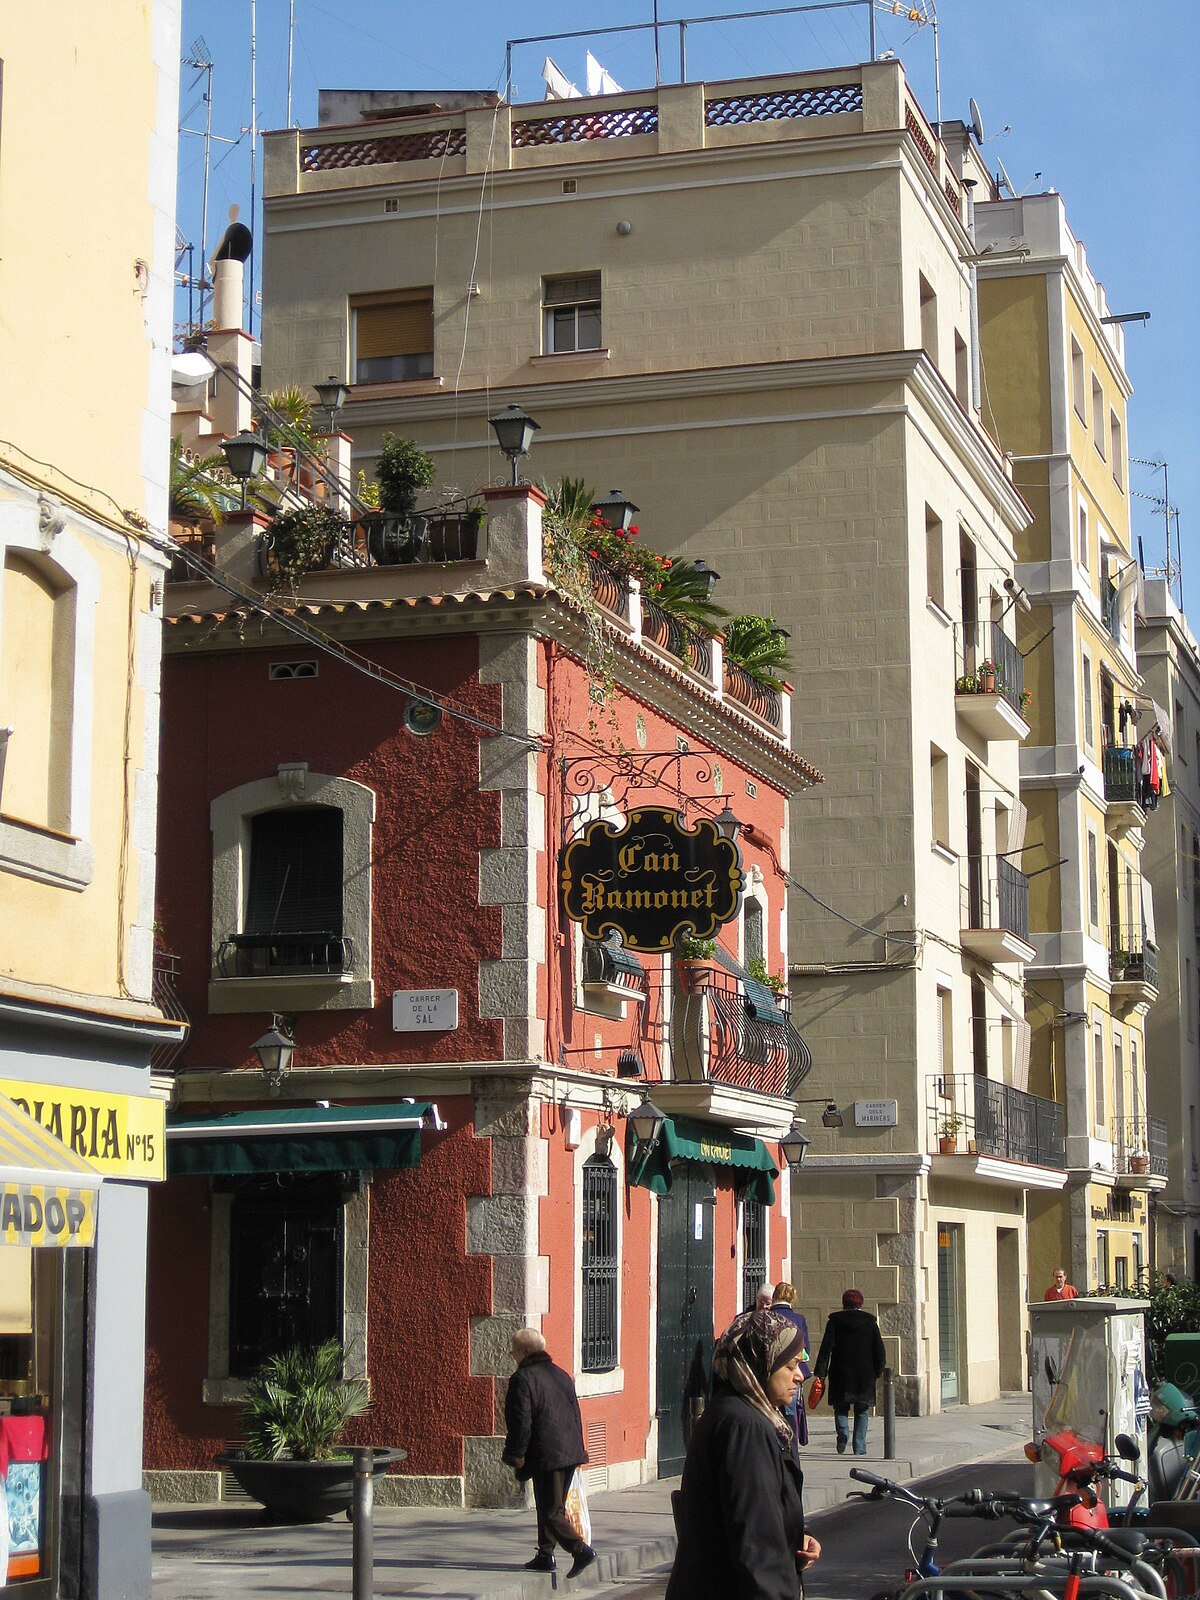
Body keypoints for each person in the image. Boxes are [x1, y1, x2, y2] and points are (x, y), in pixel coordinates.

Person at [666, 1308, 821, 1600]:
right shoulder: (745, 1426)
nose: (800, 1376)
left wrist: (793, 1539)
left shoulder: (749, 1415)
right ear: (760, 1365)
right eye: (789, 1366)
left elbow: (754, 1518)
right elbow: (756, 1541)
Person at [502, 1328, 596, 1579]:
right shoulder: (562, 1375)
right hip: (567, 1450)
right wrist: (578, 1449)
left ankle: (580, 1551)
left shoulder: (522, 1378)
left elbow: (520, 1421)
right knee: (551, 1505)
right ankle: (545, 1555)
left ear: (523, 1352)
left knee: (551, 1510)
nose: (512, 1356)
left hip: (547, 1453)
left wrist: (516, 1454)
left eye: (513, 1351)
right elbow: (575, 1414)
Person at [813, 1288, 886, 1456]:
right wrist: (878, 1370)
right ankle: (859, 1446)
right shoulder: (870, 1322)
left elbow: (826, 1348)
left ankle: (843, 1433)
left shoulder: (834, 1322)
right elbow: (879, 1350)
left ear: (843, 1303)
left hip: (841, 1372)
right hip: (864, 1374)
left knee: (840, 1407)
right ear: (861, 1303)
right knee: (862, 1410)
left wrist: (821, 1372)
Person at [771, 1282, 812, 1446]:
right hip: (792, 1372)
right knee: (790, 1411)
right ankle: (791, 1446)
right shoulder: (799, 1319)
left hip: (771, 1371)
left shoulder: (766, 1317)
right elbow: (805, 1350)